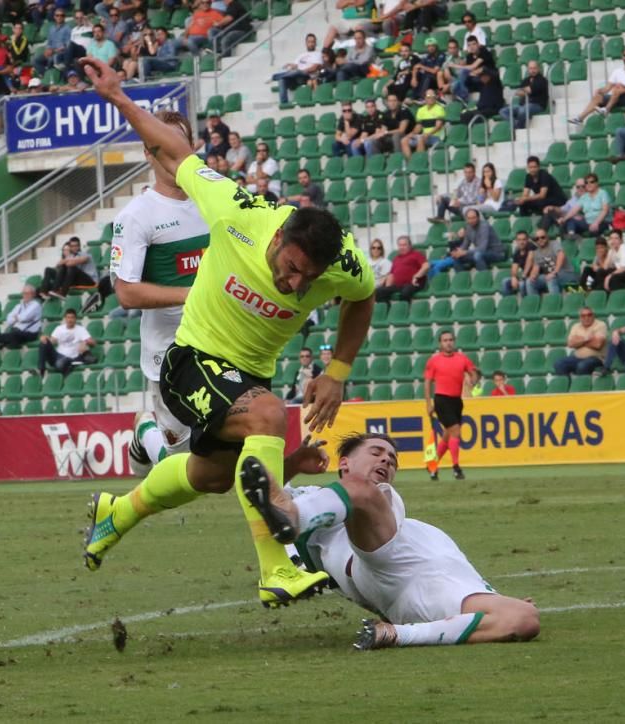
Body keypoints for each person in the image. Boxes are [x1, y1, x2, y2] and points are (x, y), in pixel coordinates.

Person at [78, 57, 376, 607]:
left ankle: (115, 513)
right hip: (189, 358)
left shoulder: (345, 264)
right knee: (268, 415)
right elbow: (175, 148)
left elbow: (362, 300)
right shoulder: (236, 210)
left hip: (245, 373)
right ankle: (276, 569)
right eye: (288, 268)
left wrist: (338, 370)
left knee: (211, 475)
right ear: (279, 233)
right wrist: (118, 97)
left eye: (307, 279)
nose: (293, 284)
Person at [239, 433, 539, 650]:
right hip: (385, 562)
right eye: (376, 452)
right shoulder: (327, 495)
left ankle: (396, 634)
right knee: (364, 493)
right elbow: (261, 487)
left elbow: (268, 491)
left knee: (522, 618)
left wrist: (498, 600)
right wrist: (293, 464)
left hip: (415, 589)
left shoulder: (328, 499)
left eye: (392, 459)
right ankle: (295, 518)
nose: (386, 459)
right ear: (344, 463)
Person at [102, 112, 211, 474]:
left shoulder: (213, 199)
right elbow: (127, 295)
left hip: (219, 340)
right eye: (161, 145)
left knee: (228, 444)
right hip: (169, 350)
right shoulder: (136, 217)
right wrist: (189, 295)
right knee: (179, 468)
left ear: (192, 147)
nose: (172, 153)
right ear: (149, 153)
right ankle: (147, 433)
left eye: (179, 142)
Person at [423, 331, 476, 481]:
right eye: (445, 340)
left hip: (456, 401)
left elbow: (473, 372)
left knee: (448, 435)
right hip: (441, 399)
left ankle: (432, 464)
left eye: (451, 340)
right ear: (440, 343)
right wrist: (428, 403)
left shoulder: (462, 359)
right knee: (455, 431)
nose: (448, 342)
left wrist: (473, 380)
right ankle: (456, 467)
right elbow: (427, 382)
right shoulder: (434, 361)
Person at [569, 47, 625, 125]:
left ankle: (606, 110)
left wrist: (624, 89)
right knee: (598, 97)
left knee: (618, 88)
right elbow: (607, 88)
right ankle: (580, 118)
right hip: (616, 96)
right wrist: (600, 90)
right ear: (622, 57)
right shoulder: (617, 71)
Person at [37, 308, 96, 378]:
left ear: (75, 319)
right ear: (65, 318)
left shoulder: (81, 329)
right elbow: (52, 341)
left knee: (60, 364)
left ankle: (67, 366)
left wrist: (85, 342)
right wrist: (44, 338)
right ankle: (41, 369)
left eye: (72, 318)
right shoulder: (59, 328)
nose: (70, 320)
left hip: (70, 358)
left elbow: (93, 343)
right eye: (68, 317)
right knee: (44, 342)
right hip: (57, 355)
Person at [554, 307, 608, 376]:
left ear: (593, 316)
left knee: (582, 366)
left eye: (589, 315)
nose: (586, 317)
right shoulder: (575, 326)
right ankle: (568, 385)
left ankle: (583, 385)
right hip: (577, 357)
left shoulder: (600, 325)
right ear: (580, 317)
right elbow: (570, 343)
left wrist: (579, 341)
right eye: (583, 316)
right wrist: (587, 338)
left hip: (596, 358)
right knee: (559, 364)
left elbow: (597, 344)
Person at [272, 33, 323, 105]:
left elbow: (314, 68)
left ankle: (274, 77)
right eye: (309, 42)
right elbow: (295, 66)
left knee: (298, 72)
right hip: (296, 77)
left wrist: (301, 71)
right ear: (306, 43)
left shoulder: (318, 54)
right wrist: (289, 66)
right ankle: (284, 103)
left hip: (307, 76)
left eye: (313, 42)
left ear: (315, 43)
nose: (311, 44)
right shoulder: (301, 55)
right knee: (282, 80)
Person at [375, 235, 428, 303]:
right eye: (400, 245)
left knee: (405, 292)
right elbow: (391, 275)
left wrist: (417, 276)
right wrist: (387, 287)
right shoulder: (396, 259)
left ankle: (405, 311)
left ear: (409, 246)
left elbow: (426, 266)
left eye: (404, 245)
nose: (402, 247)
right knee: (378, 292)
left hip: (412, 284)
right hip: (398, 286)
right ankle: (388, 311)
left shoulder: (416, 255)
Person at [525, 228, 576, 295]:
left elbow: (561, 255)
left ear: (547, 237)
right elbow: (536, 267)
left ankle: (555, 302)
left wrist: (555, 272)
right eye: (537, 239)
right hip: (549, 275)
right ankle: (534, 303)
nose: (540, 240)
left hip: (566, 273)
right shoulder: (536, 252)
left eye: (542, 237)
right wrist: (533, 275)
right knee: (529, 282)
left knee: (551, 279)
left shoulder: (554, 244)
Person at [502, 60, 547, 128]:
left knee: (522, 110)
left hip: (537, 105)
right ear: (528, 69)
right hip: (523, 105)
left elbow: (529, 90)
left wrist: (525, 89)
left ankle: (519, 127)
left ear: (538, 69)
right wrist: (527, 89)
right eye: (530, 68)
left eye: (534, 68)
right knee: (503, 111)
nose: (532, 70)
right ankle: (515, 124)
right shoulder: (526, 80)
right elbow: (518, 92)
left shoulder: (542, 80)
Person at [401, 89, 445, 157]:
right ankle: (410, 164)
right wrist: (411, 134)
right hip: (424, 136)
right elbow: (419, 127)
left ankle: (419, 163)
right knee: (404, 140)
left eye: (433, 96)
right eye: (428, 96)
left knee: (421, 139)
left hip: (436, 137)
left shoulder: (439, 108)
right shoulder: (421, 110)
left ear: (436, 97)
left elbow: (438, 126)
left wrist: (427, 134)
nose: (431, 98)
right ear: (425, 98)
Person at [501, 231, 534, 295]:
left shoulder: (531, 247)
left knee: (521, 284)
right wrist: (513, 277)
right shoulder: (517, 251)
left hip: (534, 276)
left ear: (527, 240)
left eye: (524, 240)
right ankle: (509, 302)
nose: (521, 242)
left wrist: (523, 276)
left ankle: (524, 302)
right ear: (516, 241)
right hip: (524, 277)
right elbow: (514, 267)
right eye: (519, 240)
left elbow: (530, 260)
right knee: (505, 281)